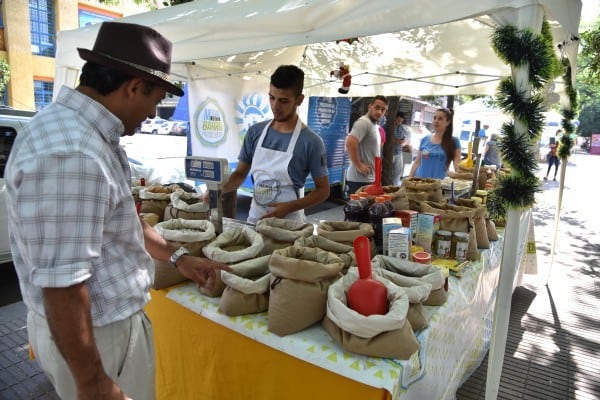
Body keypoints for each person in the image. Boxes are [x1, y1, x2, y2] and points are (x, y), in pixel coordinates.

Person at [5, 22, 231, 400]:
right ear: (133, 87)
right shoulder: (74, 153)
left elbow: (124, 220)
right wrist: (93, 381)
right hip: (98, 339)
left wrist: (179, 258)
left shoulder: (84, 134)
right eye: (155, 100)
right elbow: (62, 284)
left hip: (102, 334)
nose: (153, 113)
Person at [222, 65, 329, 224]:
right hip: (255, 222)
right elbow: (239, 173)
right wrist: (218, 192)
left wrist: (289, 207)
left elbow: (323, 191)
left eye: (284, 101)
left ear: (299, 100)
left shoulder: (311, 142)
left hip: (289, 228)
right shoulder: (255, 132)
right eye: (272, 98)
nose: (275, 106)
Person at [345, 95, 388, 195]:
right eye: (377, 108)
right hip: (360, 179)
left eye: (383, 110)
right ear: (370, 107)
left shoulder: (374, 125)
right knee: (359, 209)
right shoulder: (364, 122)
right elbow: (350, 143)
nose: (379, 112)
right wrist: (359, 165)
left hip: (368, 178)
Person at [408, 108, 461, 179]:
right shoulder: (425, 139)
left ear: (448, 122)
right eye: (435, 118)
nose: (436, 121)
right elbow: (417, 162)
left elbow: (457, 164)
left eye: (440, 118)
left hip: (438, 186)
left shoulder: (454, 141)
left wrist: (461, 176)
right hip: (419, 183)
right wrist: (408, 179)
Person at [392, 111, 410, 185]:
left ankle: (395, 186)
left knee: (397, 173)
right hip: (390, 153)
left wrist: (401, 141)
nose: (399, 122)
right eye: (398, 120)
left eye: (401, 121)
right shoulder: (389, 126)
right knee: (389, 172)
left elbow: (406, 139)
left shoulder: (402, 128)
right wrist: (398, 141)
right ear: (395, 118)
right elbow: (389, 139)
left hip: (399, 153)